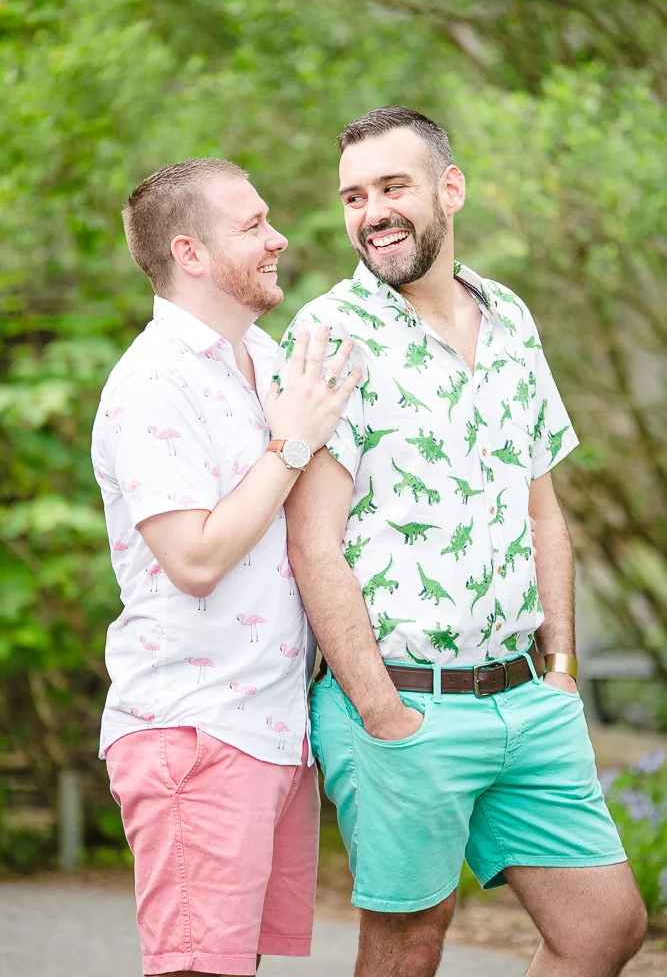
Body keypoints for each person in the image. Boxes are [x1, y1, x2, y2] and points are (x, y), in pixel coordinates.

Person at [278, 108, 647, 977]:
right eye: (353, 196)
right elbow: (311, 544)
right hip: (405, 704)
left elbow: (542, 510)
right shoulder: (330, 335)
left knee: (605, 929)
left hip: (528, 699)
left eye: (393, 187)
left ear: (451, 189)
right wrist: (382, 714)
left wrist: (561, 668)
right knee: (409, 946)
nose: (372, 212)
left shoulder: (510, 314)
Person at [91, 157, 360, 977]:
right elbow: (196, 557)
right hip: (195, 729)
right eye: (252, 226)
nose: (279, 238)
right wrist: (292, 444)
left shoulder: (263, 359)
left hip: (272, 731)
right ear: (191, 253)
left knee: (230, 965)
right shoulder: (152, 382)